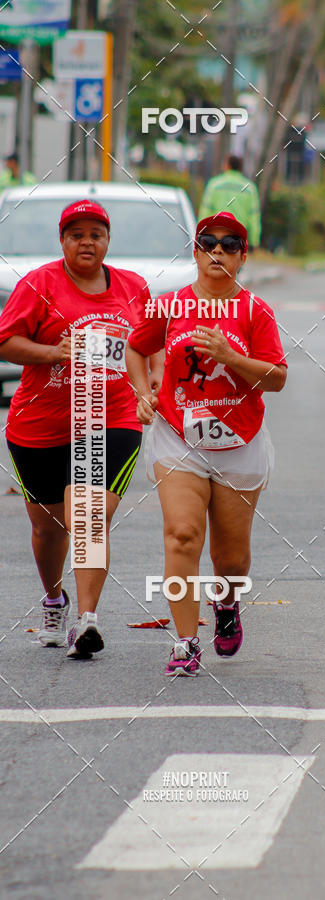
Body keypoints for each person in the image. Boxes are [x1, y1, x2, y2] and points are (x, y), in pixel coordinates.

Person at [126, 211, 287, 677]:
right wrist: (143, 392)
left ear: (242, 256)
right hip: (179, 436)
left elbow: (276, 379)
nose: (218, 251)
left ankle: (227, 601)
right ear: (196, 252)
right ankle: (184, 642)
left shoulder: (256, 311)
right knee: (181, 534)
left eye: (230, 244)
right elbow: (137, 348)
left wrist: (230, 357)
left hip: (240, 442)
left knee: (230, 558)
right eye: (208, 242)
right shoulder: (170, 305)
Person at [0, 200, 150, 658]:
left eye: (96, 234)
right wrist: (54, 353)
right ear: (62, 241)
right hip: (40, 424)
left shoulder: (133, 287)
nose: (87, 241)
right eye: (76, 234)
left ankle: (87, 621)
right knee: (49, 529)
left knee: (86, 516)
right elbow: (6, 341)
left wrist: (153, 386)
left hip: (111, 417)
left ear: (108, 240)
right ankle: (54, 598)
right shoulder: (39, 284)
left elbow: (150, 342)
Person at [198, 156, 261, 250]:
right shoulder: (249, 188)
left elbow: (205, 210)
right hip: (237, 237)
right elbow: (253, 216)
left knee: (215, 262)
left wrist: (200, 233)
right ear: (240, 168)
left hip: (215, 236)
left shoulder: (214, 184)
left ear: (227, 166)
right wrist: (254, 240)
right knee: (235, 262)